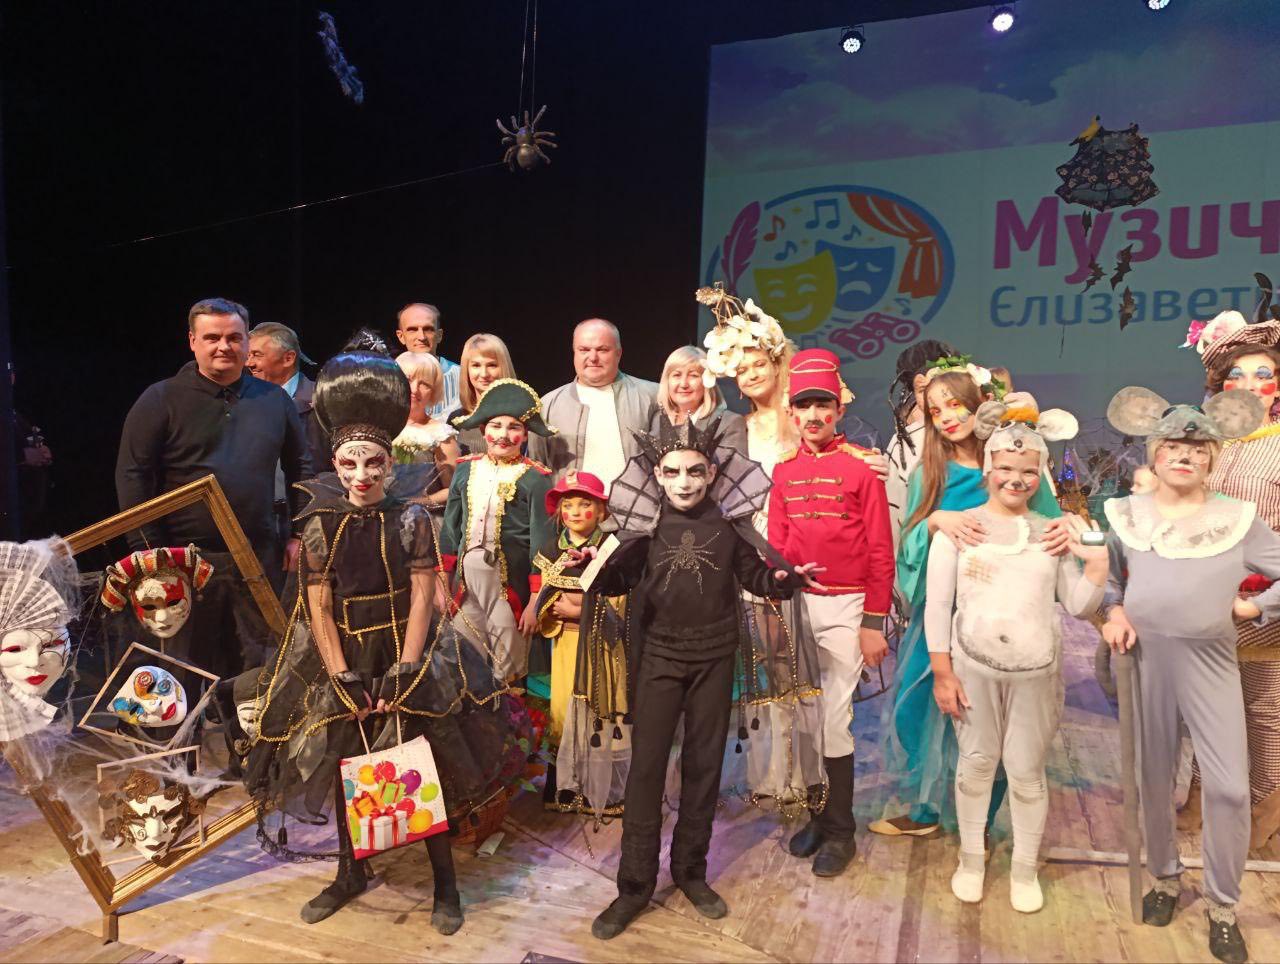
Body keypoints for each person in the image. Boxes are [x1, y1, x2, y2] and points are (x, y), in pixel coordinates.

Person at [244, 350, 529, 935]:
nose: (362, 475)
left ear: (389, 464)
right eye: (350, 463)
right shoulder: (321, 523)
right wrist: (339, 672)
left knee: (422, 765)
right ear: (334, 462)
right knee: (348, 760)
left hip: (405, 650)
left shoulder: (409, 519)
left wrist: (407, 665)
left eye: (373, 463)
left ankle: (445, 882)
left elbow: (424, 594)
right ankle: (351, 871)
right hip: (346, 655)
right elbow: (319, 605)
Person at [583, 417, 820, 940]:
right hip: (660, 660)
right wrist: (595, 567)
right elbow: (619, 578)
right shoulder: (645, 524)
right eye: (672, 472)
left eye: (695, 471)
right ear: (657, 475)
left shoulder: (728, 524)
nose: (684, 482)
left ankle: (691, 871)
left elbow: (754, 574)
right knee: (647, 771)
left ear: (712, 473)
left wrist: (780, 579)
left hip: (714, 658)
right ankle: (634, 887)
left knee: (704, 766)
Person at [1101, 385, 1280, 964]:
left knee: (1228, 787)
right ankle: (1163, 876)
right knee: (1153, 778)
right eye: (1173, 445)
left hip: (1210, 663)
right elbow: (1112, 582)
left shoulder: (1236, 519)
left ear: (1212, 457)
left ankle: (1223, 905)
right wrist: (1114, 612)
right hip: (1146, 662)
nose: (1185, 454)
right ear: (1154, 454)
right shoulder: (1128, 516)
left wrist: (1256, 607)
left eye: (1198, 447)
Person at [873, 359, 1067, 839]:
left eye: (954, 405)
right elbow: (909, 540)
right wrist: (936, 521)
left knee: (991, 718)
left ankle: (979, 824)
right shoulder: (930, 472)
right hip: (943, 615)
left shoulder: (1009, 466)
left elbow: (1047, 524)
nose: (946, 418)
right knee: (934, 710)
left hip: (1000, 612)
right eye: (935, 412)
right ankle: (926, 811)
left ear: (980, 404)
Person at [926, 399, 1106, 913]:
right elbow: (938, 605)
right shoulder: (960, 529)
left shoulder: (1051, 533)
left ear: (1040, 473)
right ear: (988, 469)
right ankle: (971, 860)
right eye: (1005, 467)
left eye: (1028, 470)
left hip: (1036, 674)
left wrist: (1096, 567)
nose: (1016, 479)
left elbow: (1077, 605)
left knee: (1026, 773)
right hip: (973, 670)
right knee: (976, 765)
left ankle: (1024, 869)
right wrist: (942, 672)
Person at [115, 298, 312, 677]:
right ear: (193, 341)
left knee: (257, 666)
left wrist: (299, 533)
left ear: (247, 342)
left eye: (234, 338)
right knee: (185, 668)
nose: (224, 346)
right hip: (182, 559)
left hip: (259, 555)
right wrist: (149, 554)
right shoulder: (160, 399)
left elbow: (300, 467)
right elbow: (132, 476)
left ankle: (248, 718)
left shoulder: (273, 399)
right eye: (212, 338)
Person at [769, 349, 894, 877]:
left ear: (839, 409)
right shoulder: (783, 471)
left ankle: (842, 831)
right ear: (792, 412)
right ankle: (819, 819)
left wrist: (873, 623)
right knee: (803, 718)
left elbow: (881, 551)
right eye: (804, 406)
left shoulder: (862, 468)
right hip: (798, 607)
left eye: (823, 405)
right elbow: (777, 546)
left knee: (836, 719)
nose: (814, 415)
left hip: (847, 605)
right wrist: (778, 591)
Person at [1181, 309, 1280, 853]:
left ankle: (1267, 805)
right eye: (1235, 375)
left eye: (1262, 374)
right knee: (1210, 703)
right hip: (1208, 600)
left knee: (1264, 707)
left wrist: (1263, 601)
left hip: (1263, 603)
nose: (1247, 384)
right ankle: (1204, 792)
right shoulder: (1209, 445)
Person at [440, 379, 554, 684]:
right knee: (466, 651)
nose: (503, 434)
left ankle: (508, 707)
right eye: (496, 425)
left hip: (507, 585)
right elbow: (450, 529)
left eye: (514, 427)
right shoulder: (466, 469)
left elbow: (542, 542)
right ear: (483, 430)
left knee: (508, 652)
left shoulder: (535, 478)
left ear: (525, 434)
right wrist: (443, 581)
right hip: (466, 582)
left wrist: (535, 600)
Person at [529, 470, 626, 813]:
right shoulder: (549, 550)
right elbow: (543, 595)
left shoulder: (612, 549)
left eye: (584, 504)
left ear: (601, 511)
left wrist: (578, 610)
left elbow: (621, 602)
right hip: (565, 646)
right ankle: (566, 788)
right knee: (564, 710)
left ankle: (605, 790)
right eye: (567, 505)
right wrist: (550, 609)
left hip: (603, 646)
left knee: (600, 704)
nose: (574, 512)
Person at [526, 319, 658, 487]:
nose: (593, 357)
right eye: (584, 350)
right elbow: (536, 468)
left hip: (638, 503)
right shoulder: (547, 406)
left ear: (618, 353)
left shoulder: (653, 397)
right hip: (571, 504)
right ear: (574, 352)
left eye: (603, 350)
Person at [247, 322, 327, 551]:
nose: (249, 363)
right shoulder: (242, 401)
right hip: (258, 523)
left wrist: (304, 529)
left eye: (257, 355)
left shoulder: (322, 401)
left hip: (309, 522)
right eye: (248, 355)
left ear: (288, 358)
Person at [885, 340, 958, 555]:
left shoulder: (983, 432)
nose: (933, 396)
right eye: (923, 389)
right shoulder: (906, 443)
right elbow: (895, 512)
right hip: (925, 555)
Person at [392, 351, 461, 508]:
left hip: (421, 517)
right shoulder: (378, 426)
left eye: (424, 384)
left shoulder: (441, 435)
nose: (414, 389)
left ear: (433, 392)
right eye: (408, 379)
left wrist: (418, 502)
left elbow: (453, 490)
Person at [649, 346, 747, 454]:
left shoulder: (729, 423)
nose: (683, 384)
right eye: (677, 375)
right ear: (666, 381)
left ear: (707, 382)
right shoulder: (657, 419)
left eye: (693, 375)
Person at [447, 333, 517, 455]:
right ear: (467, 370)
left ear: (504, 367)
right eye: (476, 365)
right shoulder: (456, 419)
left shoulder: (521, 416)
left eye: (492, 365)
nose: (484, 374)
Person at [395, 303, 460, 419]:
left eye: (428, 329)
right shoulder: (390, 377)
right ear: (401, 336)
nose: (422, 337)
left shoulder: (462, 377)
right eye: (412, 329)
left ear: (439, 335)